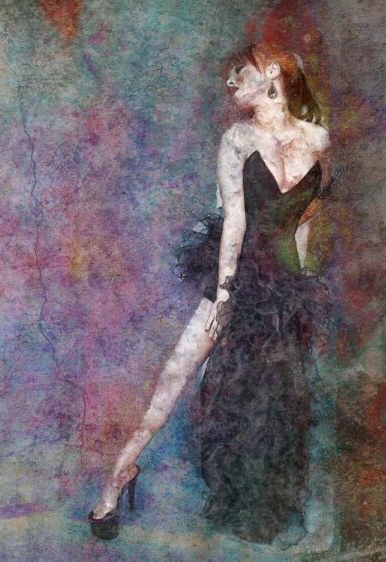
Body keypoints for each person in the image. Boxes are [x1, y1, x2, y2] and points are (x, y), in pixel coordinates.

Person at [88, 41, 333, 544]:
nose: (230, 82)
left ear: (270, 72)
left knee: (273, 399)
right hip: (236, 275)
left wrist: (303, 293)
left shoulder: (318, 139)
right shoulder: (237, 138)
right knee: (174, 377)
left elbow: (304, 224)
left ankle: (256, 502)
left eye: (239, 72)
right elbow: (235, 222)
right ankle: (117, 479)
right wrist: (223, 297)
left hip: (284, 289)